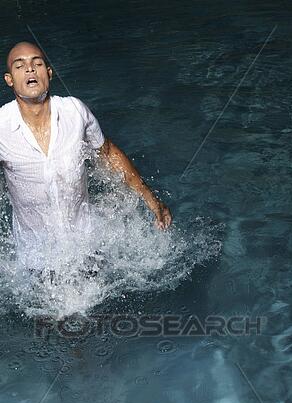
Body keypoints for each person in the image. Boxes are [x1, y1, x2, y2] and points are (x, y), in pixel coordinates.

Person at [0, 41, 172, 279]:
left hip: (87, 244)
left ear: (48, 73)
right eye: (20, 66)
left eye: (37, 63)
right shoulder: (2, 126)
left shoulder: (75, 111)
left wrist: (152, 200)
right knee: (51, 317)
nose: (30, 69)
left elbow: (108, 154)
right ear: (9, 80)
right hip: (36, 257)